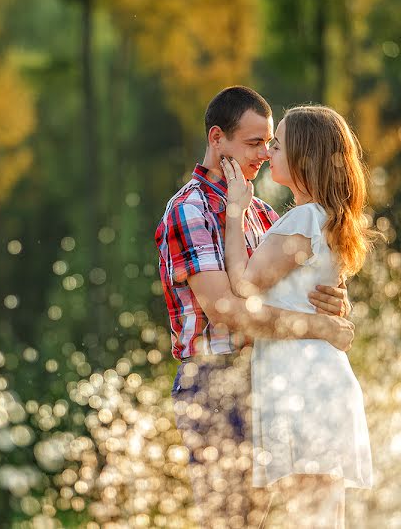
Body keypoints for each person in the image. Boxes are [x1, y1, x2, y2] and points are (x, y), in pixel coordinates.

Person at [154, 87, 355, 528]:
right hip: (216, 381)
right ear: (216, 139)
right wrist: (318, 328)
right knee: (230, 520)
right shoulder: (189, 211)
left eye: (269, 143)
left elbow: (298, 284)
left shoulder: (261, 213)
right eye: (253, 143)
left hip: (272, 375)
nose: (264, 154)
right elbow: (226, 308)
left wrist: (336, 302)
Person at [219, 104, 378, 527]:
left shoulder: (305, 219)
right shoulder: (325, 219)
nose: (269, 151)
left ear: (304, 158)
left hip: (304, 388)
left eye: (279, 145)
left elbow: (244, 284)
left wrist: (236, 210)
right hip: (315, 382)